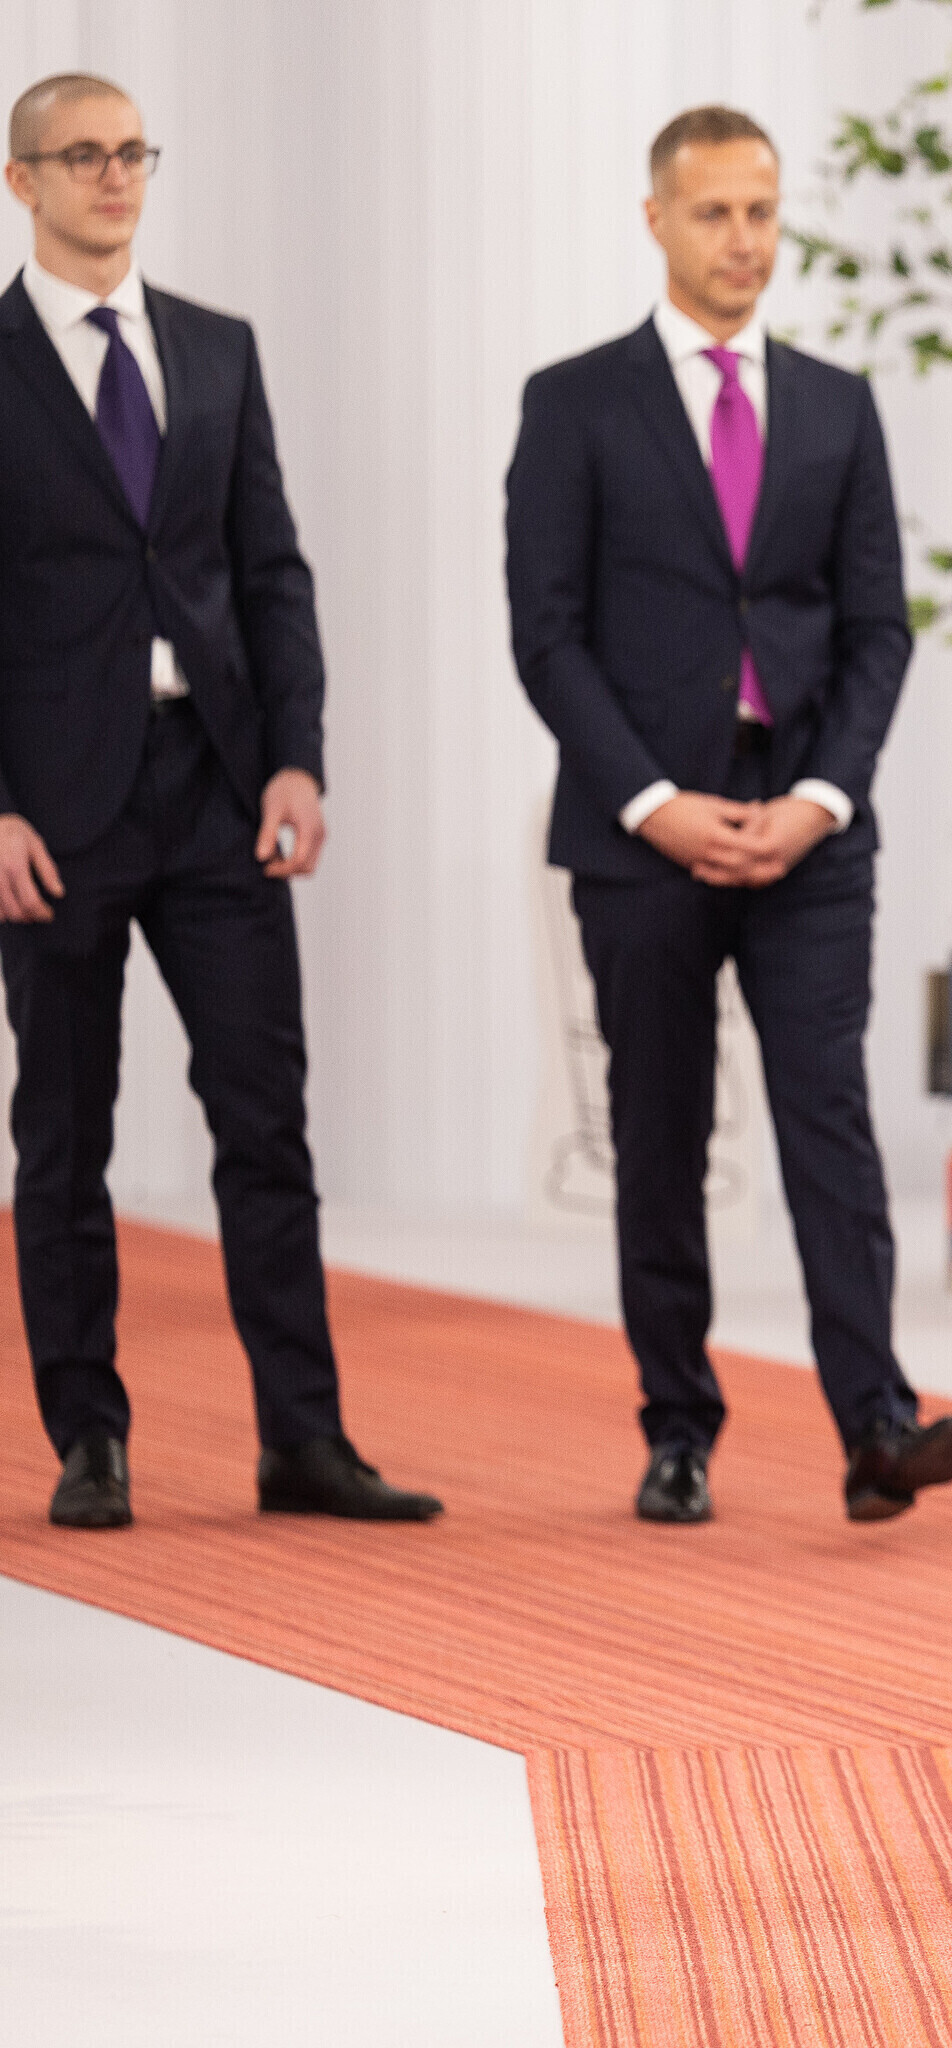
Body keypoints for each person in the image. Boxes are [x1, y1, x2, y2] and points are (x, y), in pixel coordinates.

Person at [504, 106, 952, 1525]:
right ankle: (677, 1430)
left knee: (829, 1120)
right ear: (658, 219)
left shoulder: (836, 404)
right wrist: (652, 804)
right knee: (658, 1135)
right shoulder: (573, 404)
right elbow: (547, 636)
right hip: (644, 834)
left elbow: (880, 630)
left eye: (762, 211)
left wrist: (822, 800)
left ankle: (877, 1425)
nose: (744, 239)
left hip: (807, 830)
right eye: (714, 213)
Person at [0, 71, 440, 1530]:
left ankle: (303, 1440)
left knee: (267, 1124)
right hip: (54, 811)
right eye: (83, 154)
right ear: (23, 181)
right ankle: (89, 1439)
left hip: (218, 790)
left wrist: (297, 757)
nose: (115, 175)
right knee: (65, 1137)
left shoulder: (216, 348)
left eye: (133, 151)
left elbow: (271, 570)